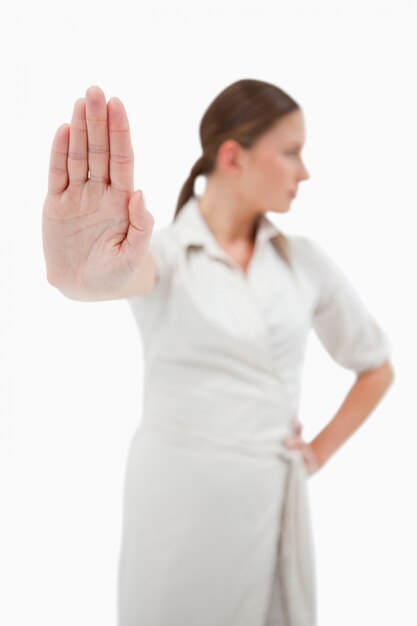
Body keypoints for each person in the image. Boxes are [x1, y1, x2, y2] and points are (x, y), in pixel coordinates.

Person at [42, 79, 395, 626]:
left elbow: (375, 366)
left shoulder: (302, 261)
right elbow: (121, 277)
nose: (305, 171)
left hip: (272, 504)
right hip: (177, 509)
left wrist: (317, 454)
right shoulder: (166, 254)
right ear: (234, 156)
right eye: (291, 152)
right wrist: (80, 277)